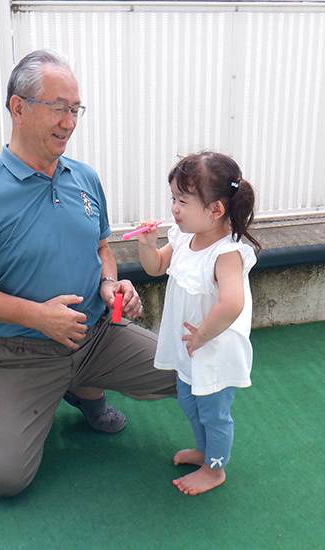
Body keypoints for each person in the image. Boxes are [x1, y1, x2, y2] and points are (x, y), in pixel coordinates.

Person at [0, 50, 177, 498]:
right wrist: (37, 316)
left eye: (75, 109)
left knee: (189, 374)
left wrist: (110, 284)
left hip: (97, 336)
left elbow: (102, 248)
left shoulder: (84, 178)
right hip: (20, 351)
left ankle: (83, 388)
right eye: (57, 107)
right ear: (18, 107)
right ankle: (22, 410)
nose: (68, 121)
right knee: (3, 479)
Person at [133, 151, 261, 495]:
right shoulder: (183, 238)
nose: (174, 208)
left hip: (214, 349)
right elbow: (155, 267)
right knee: (189, 401)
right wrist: (148, 246)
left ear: (215, 210)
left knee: (214, 412)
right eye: (173, 198)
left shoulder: (226, 253)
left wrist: (204, 334)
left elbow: (232, 303)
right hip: (192, 346)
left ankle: (215, 469)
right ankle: (205, 452)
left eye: (182, 201)